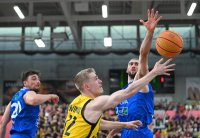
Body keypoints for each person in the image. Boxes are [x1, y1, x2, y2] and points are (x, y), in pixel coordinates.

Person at [62, 58, 175, 138]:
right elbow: (128, 91)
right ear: (87, 86)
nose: (100, 81)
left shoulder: (76, 102)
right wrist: (154, 73)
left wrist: (124, 125)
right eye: (96, 79)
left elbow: (98, 124)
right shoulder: (95, 104)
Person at [115, 9, 162, 138]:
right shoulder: (123, 92)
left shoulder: (141, 83)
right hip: (125, 133)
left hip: (140, 133)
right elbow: (120, 121)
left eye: (136, 64)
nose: (134, 65)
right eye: (131, 64)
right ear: (126, 69)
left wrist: (150, 32)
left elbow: (143, 54)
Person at [0, 70, 59, 138]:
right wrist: (50, 96)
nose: (38, 81)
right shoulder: (29, 92)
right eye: (34, 79)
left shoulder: (13, 99)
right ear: (25, 83)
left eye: (38, 79)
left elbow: (2, 123)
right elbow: (33, 100)